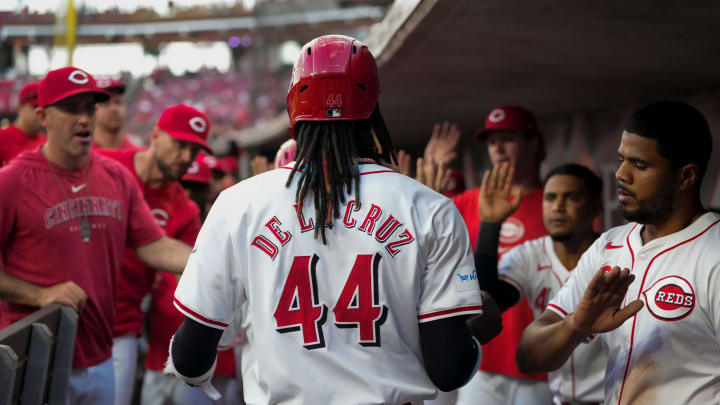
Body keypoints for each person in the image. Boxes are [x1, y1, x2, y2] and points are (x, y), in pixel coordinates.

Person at [166, 35, 503, 404]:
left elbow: (189, 360)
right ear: (373, 108)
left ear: (294, 107)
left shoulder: (236, 203)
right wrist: (474, 334)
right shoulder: (430, 208)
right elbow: (449, 370)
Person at [0, 66, 192, 405]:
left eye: (89, 107)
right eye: (71, 108)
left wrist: (211, 261)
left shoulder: (116, 177)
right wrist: (39, 294)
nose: (84, 118)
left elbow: (154, 244)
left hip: (101, 354)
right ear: (43, 116)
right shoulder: (13, 181)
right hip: (36, 355)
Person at [517, 100, 720, 405]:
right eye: (622, 160)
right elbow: (529, 357)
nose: (621, 175)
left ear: (686, 176)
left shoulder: (714, 253)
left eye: (639, 165)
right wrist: (575, 325)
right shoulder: (607, 246)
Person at [96, 104, 211, 405]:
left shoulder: (185, 211)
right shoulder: (105, 164)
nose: (187, 157)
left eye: (195, 150)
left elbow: (192, 267)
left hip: (123, 326)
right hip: (74, 313)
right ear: (156, 135)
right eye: (180, 144)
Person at [476, 162, 606, 405]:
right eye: (550, 198)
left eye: (572, 198)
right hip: (560, 399)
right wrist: (490, 226)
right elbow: (486, 303)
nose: (558, 206)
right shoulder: (529, 254)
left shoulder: (617, 254)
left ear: (596, 206)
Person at [450, 105, 552, 405]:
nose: (498, 148)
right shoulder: (469, 202)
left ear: (534, 144)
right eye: (492, 142)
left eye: (508, 138)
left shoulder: (557, 205)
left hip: (538, 361)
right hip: (480, 354)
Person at [0, 82, 45, 167]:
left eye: (44, 108)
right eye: (35, 107)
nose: (40, 112)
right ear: (20, 107)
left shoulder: (47, 143)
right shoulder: (2, 138)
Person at [92, 77, 137, 150]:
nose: (114, 109)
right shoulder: (82, 156)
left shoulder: (139, 156)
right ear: (92, 110)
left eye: (118, 102)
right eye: (105, 104)